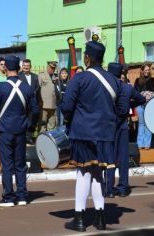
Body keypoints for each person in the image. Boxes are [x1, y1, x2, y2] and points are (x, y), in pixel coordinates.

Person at [61, 41, 128, 232]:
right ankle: (100, 218)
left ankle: (79, 218)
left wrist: (70, 118)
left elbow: (66, 106)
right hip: (106, 135)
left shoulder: (80, 78)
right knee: (99, 174)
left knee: (83, 174)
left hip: (83, 133)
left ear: (88, 58)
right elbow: (122, 109)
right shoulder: (115, 80)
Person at [0, 55, 39, 207]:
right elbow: (35, 109)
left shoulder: (1, 87)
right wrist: (29, 123)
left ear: (6, 68)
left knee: (6, 164)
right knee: (20, 164)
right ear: (18, 68)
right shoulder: (27, 87)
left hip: (5, 130)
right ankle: (22, 195)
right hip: (21, 130)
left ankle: (9, 197)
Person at [105, 63, 146, 198]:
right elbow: (141, 98)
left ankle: (109, 188)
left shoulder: (107, 87)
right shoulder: (127, 88)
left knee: (109, 156)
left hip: (110, 125)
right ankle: (123, 187)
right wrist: (129, 104)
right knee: (123, 157)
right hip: (123, 125)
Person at [134, 64, 154, 149]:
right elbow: (135, 92)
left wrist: (149, 95)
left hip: (150, 105)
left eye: (148, 70)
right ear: (142, 70)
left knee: (148, 124)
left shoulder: (153, 80)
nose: (147, 71)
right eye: (146, 70)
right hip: (140, 105)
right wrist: (142, 95)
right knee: (141, 124)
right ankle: (140, 144)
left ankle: (147, 144)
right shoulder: (137, 80)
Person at [19, 59, 41, 144]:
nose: (26, 67)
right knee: (24, 119)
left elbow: (38, 87)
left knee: (33, 118)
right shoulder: (19, 76)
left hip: (33, 101)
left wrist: (34, 93)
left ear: (30, 67)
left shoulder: (35, 76)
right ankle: (23, 136)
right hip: (23, 101)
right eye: (24, 65)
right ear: (22, 66)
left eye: (27, 66)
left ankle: (30, 135)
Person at [38, 61, 58, 132]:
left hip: (53, 105)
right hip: (44, 105)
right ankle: (40, 141)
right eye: (51, 67)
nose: (52, 69)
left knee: (52, 125)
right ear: (48, 67)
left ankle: (49, 141)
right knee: (42, 126)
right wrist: (39, 101)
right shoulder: (41, 75)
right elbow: (38, 89)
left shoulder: (55, 76)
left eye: (54, 68)